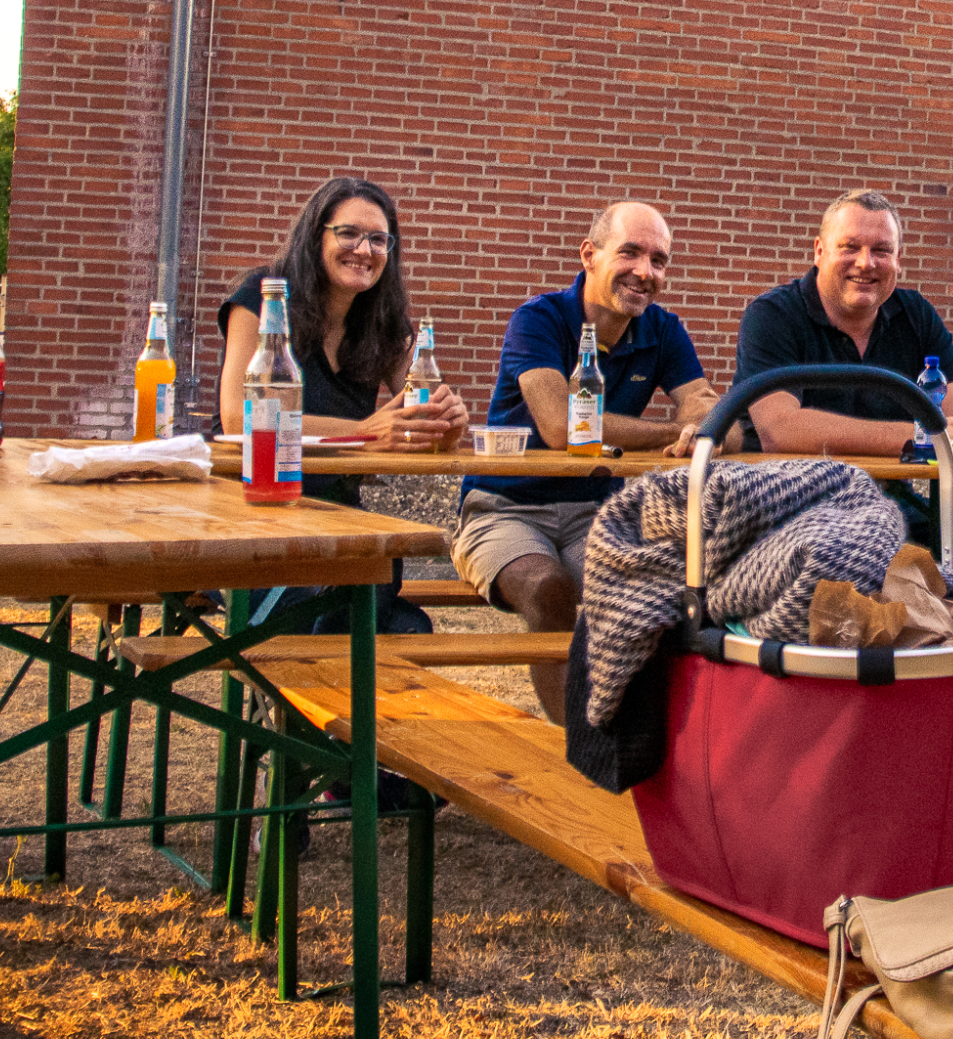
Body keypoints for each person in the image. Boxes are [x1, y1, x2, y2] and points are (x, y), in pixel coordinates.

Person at [454, 201, 723, 715]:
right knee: (548, 587)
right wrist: (676, 430)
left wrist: (703, 420)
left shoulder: (663, 329)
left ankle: (644, 733)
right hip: (503, 507)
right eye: (630, 253)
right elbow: (562, 428)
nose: (645, 272)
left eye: (659, 260)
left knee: (663, 583)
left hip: (595, 514)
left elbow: (709, 410)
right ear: (589, 255)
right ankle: (573, 745)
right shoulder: (540, 319)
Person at [732, 189, 953, 574]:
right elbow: (780, 430)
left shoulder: (916, 315)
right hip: (790, 512)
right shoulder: (772, 316)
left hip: (895, 508)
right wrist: (921, 439)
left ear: (899, 260)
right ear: (818, 251)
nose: (865, 263)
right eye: (850, 247)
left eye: (881, 250)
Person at [216, 176, 466, 631]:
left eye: (378, 239)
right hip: (251, 510)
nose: (364, 250)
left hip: (335, 514)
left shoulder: (383, 322)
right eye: (348, 233)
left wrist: (445, 421)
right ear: (316, 236)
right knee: (359, 612)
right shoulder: (264, 297)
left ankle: (319, 693)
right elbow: (240, 418)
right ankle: (296, 691)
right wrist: (366, 431)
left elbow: (419, 406)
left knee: (404, 623)